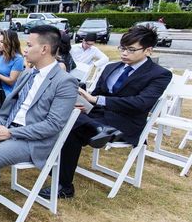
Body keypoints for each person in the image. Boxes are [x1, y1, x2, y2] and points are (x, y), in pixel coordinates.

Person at [0, 25, 78, 222]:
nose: (24, 50)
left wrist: (11, 133)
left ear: (44, 49)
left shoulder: (65, 82)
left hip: (32, 141)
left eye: (29, 45)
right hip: (8, 129)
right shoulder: (28, 73)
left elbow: (53, 125)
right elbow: (9, 107)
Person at [44, 24, 172, 200]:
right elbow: (96, 95)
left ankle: (64, 185)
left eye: (131, 49)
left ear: (148, 50)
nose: (124, 53)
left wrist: (96, 100)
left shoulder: (159, 74)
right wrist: (83, 104)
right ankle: (95, 129)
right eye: (122, 48)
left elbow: (141, 103)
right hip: (98, 116)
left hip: (125, 123)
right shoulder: (111, 67)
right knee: (62, 115)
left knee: (71, 127)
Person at [0, 29, 25, 96]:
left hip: (6, 94)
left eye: (2, 42)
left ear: (10, 43)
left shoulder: (18, 59)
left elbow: (11, 81)